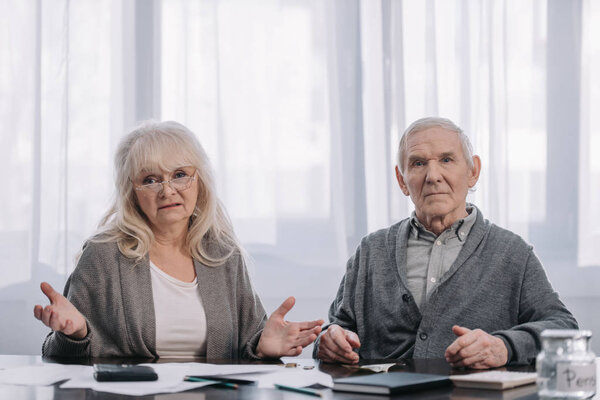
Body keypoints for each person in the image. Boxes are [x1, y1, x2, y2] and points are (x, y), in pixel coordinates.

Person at [34, 120, 323, 359]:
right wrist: (74, 334)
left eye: (180, 175)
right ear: (131, 191)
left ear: (200, 182)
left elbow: (249, 349)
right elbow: (54, 355)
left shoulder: (224, 255)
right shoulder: (103, 255)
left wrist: (263, 348)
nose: (167, 190)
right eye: (150, 179)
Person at [314, 117, 577, 369]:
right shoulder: (371, 251)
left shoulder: (512, 253)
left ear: (473, 171)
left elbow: (564, 328)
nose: (433, 175)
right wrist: (328, 341)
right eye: (418, 164)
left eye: (447, 160)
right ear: (401, 179)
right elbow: (336, 328)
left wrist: (504, 347)